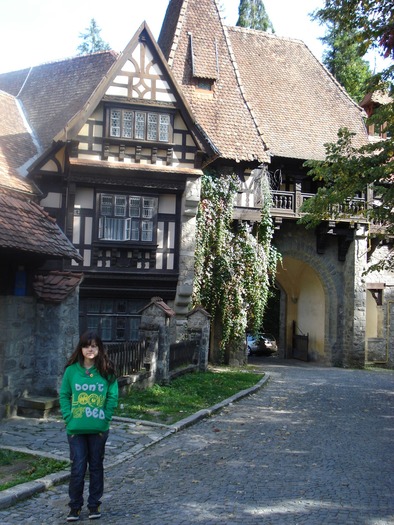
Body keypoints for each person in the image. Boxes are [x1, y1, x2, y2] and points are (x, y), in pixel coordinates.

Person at [59, 331, 118, 522]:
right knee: (77, 468)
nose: (90, 349)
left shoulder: (106, 370)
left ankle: (94, 504)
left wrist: (105, 418)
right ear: (81, 349)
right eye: (86, 346)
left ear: (99, 348)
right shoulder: (71, 371)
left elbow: (112, 396)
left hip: (98, 430)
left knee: (95, 466)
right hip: (75, 430)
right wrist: (68, 417)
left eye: (93, 346)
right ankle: (74, 506)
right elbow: (64, 395)